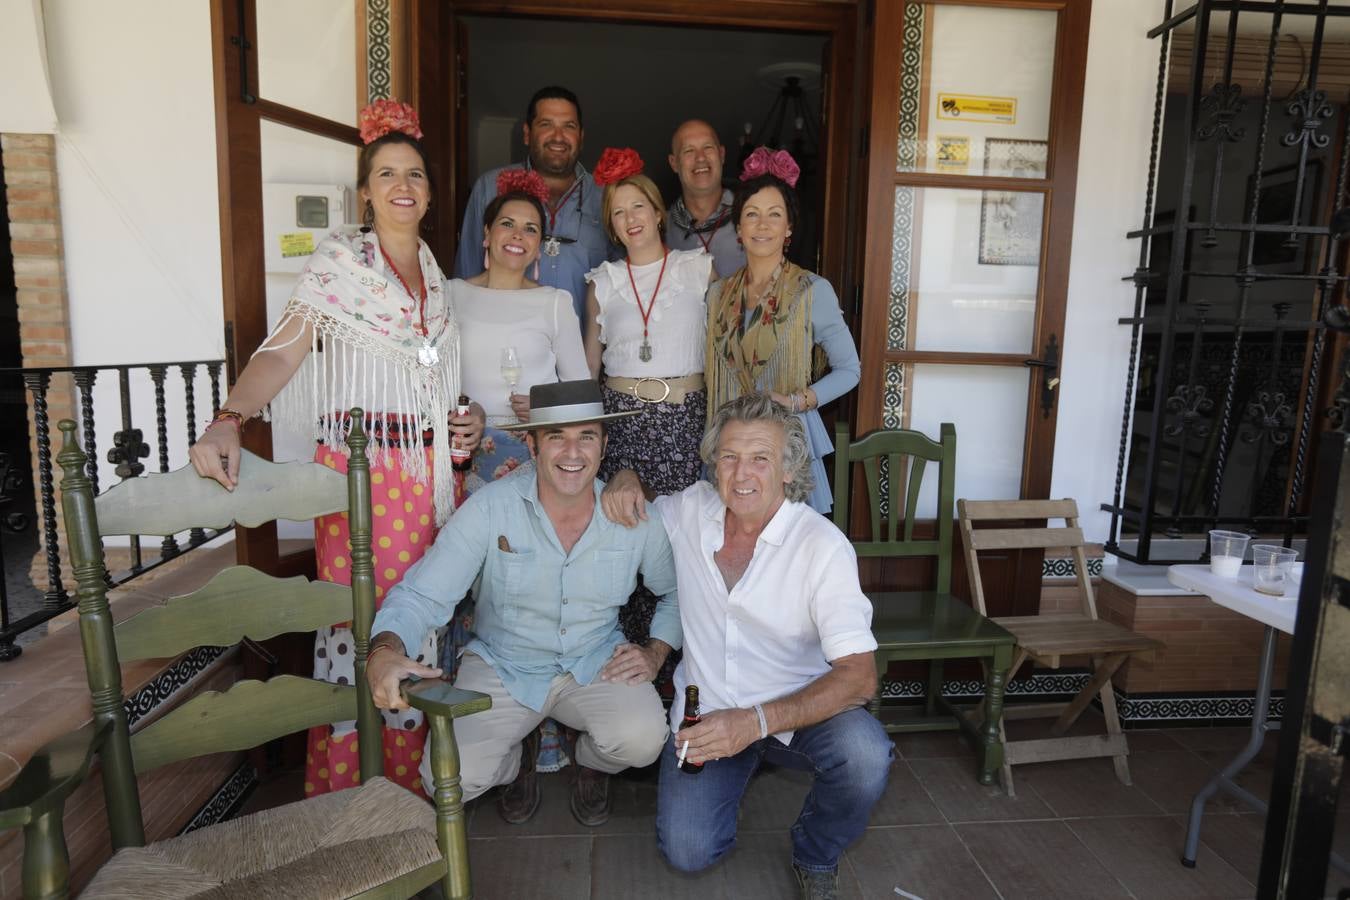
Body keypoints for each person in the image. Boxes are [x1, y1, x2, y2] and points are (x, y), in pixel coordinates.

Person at [188, 100, 484, 800]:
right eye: (387, 173)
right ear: (366, 192)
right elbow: (282, 355)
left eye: (415, 174)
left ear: (431, 192)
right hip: (362, 481)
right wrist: (230, 417)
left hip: (430, 481)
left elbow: (431, 386)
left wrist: (460, 423)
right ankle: (356, 795)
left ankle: (413, 804)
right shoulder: (339, 264)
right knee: (362, 626)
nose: (402, 185)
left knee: (421, 622)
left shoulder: (437, 279)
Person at [602, 393, 892, 900]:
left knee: (865, 754)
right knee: (688, 852)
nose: (742, 474)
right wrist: (627, 477)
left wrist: (754, 724)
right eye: (729, 457)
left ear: (788, 469)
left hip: (796, 713)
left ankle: (816, 850)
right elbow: (637, 505)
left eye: (760, 458)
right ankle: (740, 768)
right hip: (708, 715)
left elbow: (859, 677)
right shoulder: (692, 509)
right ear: (714, 464)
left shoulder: (821, 547)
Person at [365, 380, 681, 828]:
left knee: (644, 740)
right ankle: (516, 759)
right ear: (532, 443)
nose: (573, 452)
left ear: (604, 444)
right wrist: (383, 651)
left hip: (594, 662)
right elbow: (421, 594)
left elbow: (675, 592)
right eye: (556, 436)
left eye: (586, 436)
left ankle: (585, 759)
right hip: (503, 665)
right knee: (445, 780)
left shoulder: (631, 516)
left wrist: (655, 652)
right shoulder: (489, 508)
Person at [705, 147, 860, 513]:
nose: (762, 225)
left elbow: (850, 370)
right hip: (731, 446)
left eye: (775, 215)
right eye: (752, 215)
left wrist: (794, 401)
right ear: (738, 228)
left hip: (785, 445)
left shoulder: (811, 291)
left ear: (789, 227)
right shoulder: (717, 295)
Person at [453, 167, 590, 488]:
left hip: (532, 452)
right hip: (462, 449)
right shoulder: (451, 294)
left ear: (539, 245)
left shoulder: (555, 302)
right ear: (486, 234)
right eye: (507, 224)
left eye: (530, 229)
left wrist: (547, 407)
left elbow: (581, 393)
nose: (518, 235)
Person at [455, 86, 609, 325]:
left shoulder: (606, 197)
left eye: (569, 126)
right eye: (546, 124)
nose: (558, 136)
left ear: (581, 136)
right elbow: (467, 272)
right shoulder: (490, 187)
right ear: (527, 134)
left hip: (584, 350)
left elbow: (625, 282)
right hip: (506, 346)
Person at [665, 120, 744, 278]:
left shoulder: (751, 215)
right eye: (688, 150)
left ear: (721, 154)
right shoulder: (660, 229)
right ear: (674, 163)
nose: (700, 158)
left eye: (708, 147)